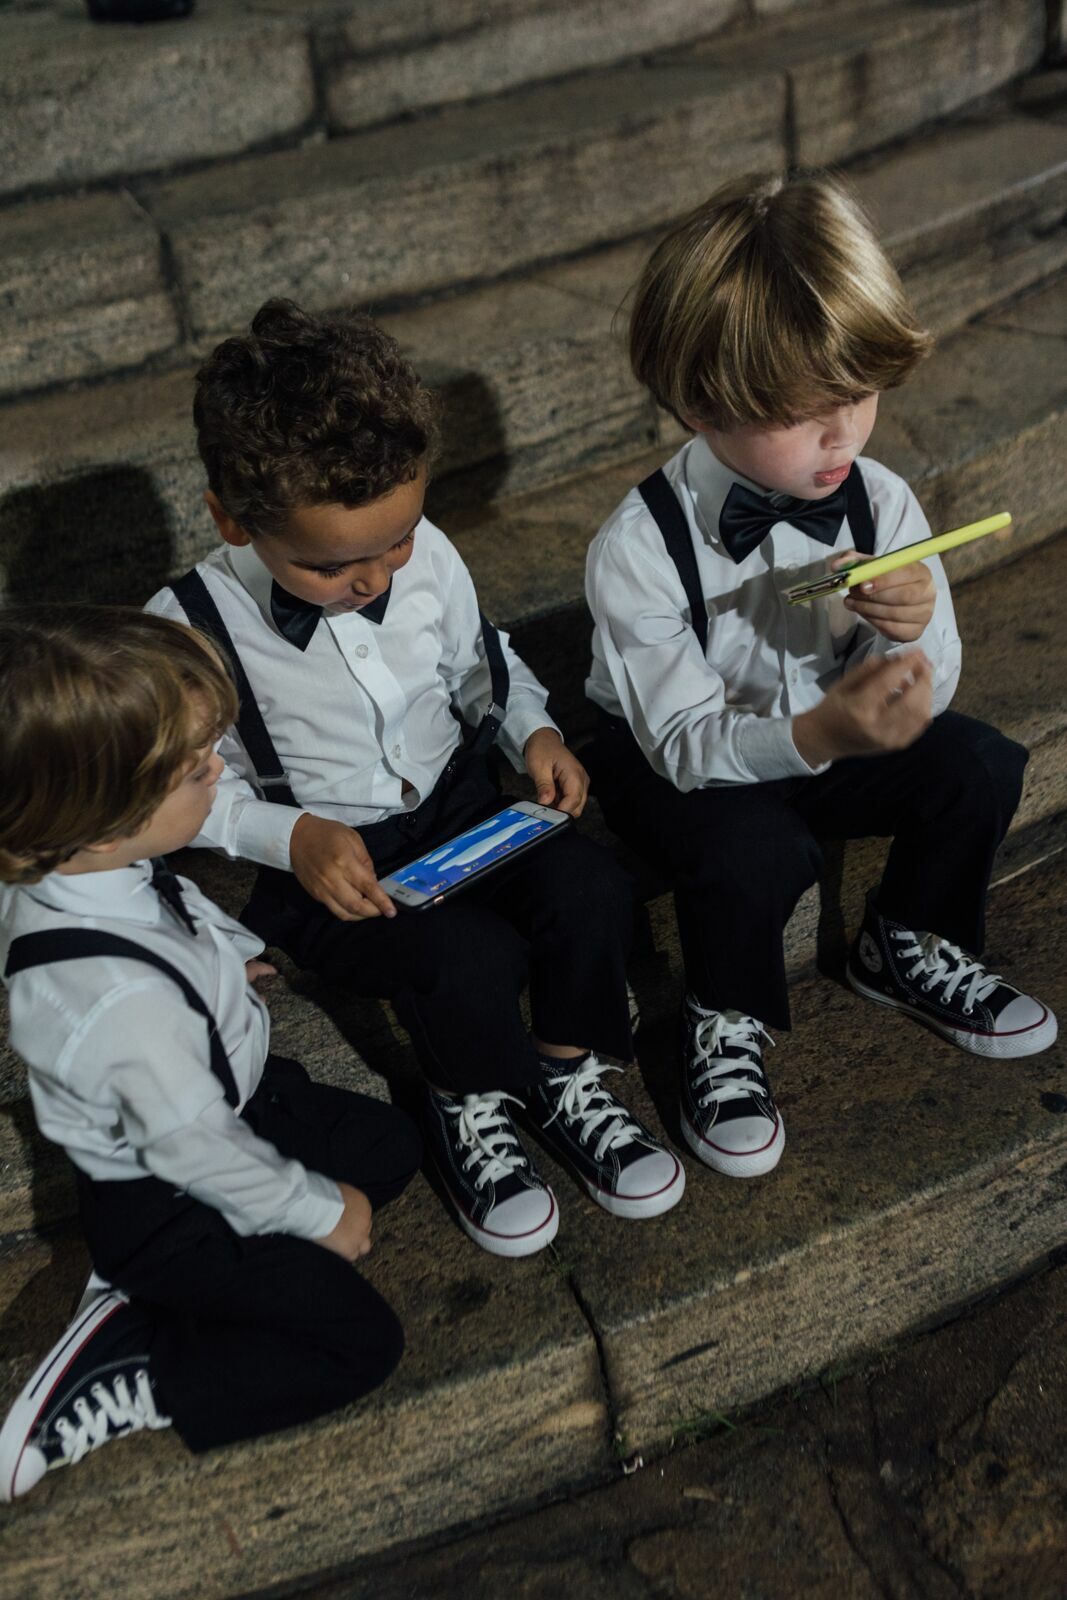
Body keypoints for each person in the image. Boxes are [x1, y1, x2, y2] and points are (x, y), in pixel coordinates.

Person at [146, 299, 684, 1257]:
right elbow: (178, 788)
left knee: (593, 891)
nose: (376, 576)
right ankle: (466, 1100)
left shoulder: (421, 553)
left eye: (396, 539)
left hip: (462, 802)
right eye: (333, 564)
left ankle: (561, 1076)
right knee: (460, 960)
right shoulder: (187, 623)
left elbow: (484, 664)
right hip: (327, 859)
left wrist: (535, 729)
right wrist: (286, 837)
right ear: (231, 518)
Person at [584, 172, 1057, 1181]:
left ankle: (905, 938)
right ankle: (724, 1013)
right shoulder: (636, 546)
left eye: (859, 394)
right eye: (805, 412)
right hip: (675, 760)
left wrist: (913, 637)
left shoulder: (874, 497)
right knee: (757, 844)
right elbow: (680, 743)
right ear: (703, 402)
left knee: (976, 767)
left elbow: (927, 682)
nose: (843, 434)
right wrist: (816, 739)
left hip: (824, 726)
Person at [0, 607, 422, 1500]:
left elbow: (165, 902)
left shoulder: (90, 865)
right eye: (196, 770)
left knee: (389, 1149)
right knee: (357, 1341)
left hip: (241, 1096)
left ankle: (196, 1287)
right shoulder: (118, 1007)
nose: (219, 770)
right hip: (171, 1197)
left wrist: (226, 953)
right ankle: (144, 1359)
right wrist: (313, 1212)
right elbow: (194, 1149)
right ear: (104, 820)